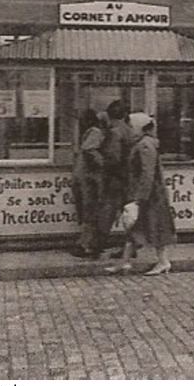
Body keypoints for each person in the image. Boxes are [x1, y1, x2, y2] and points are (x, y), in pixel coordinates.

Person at [113, 113, 176, 275]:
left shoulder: (145, 145)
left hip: (150, 195)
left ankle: (163, 261)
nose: (129, 130)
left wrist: (140, 198)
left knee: (154, 227)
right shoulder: (143, 143)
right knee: (136, 228)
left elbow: (147, 173)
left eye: (131, 127)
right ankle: (125, 262)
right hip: (147, 194)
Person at [96, 100, 134, 260]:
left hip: (116, 178)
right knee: (129, 214)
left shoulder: (115, 132)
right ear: (125, 115)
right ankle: (130, 247)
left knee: (107, 211)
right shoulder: (129, 130)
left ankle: (96, 246)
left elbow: (113, 157)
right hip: (129, 177)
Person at [70, 110, 106, 259]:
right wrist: (103, 163)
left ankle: (87, 243)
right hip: (89, 178)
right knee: (91, 212)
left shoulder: (86, 133)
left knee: (88, 212)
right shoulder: (96, 132)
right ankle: (84, 244)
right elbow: (89, 149)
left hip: (81, 176)